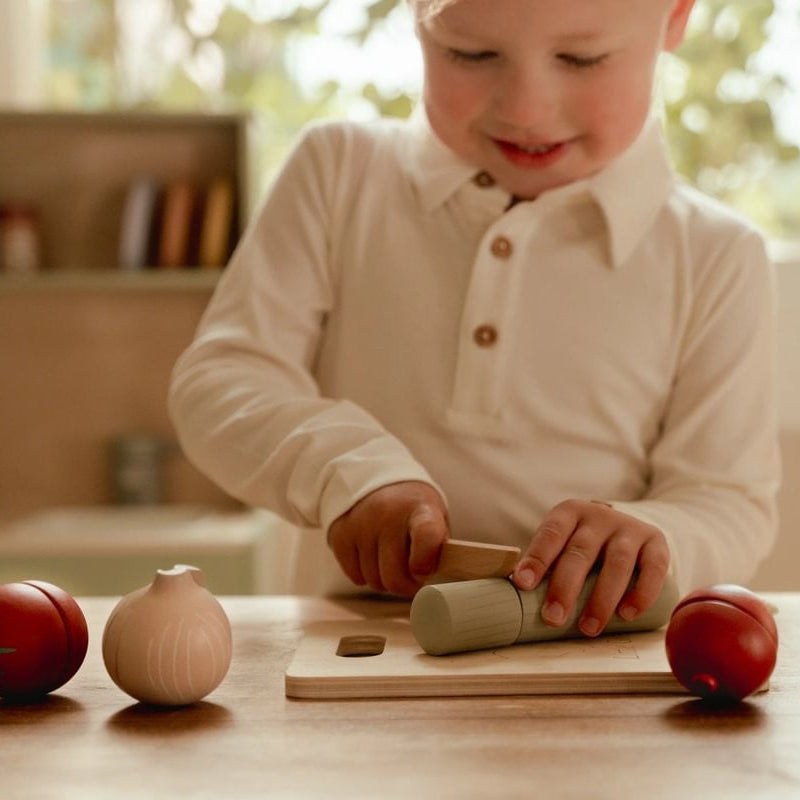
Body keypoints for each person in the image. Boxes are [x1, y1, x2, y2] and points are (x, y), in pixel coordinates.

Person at [168, 0, 780, 636]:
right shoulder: (338, 172)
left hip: (588, 665)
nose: (525, 109)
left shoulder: (717, 253)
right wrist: (346, 471)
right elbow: (221, 381)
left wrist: (650, 541)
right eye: (471, 54)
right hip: (357, 657)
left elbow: (727, 502)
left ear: (675, 19)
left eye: (582, 57)